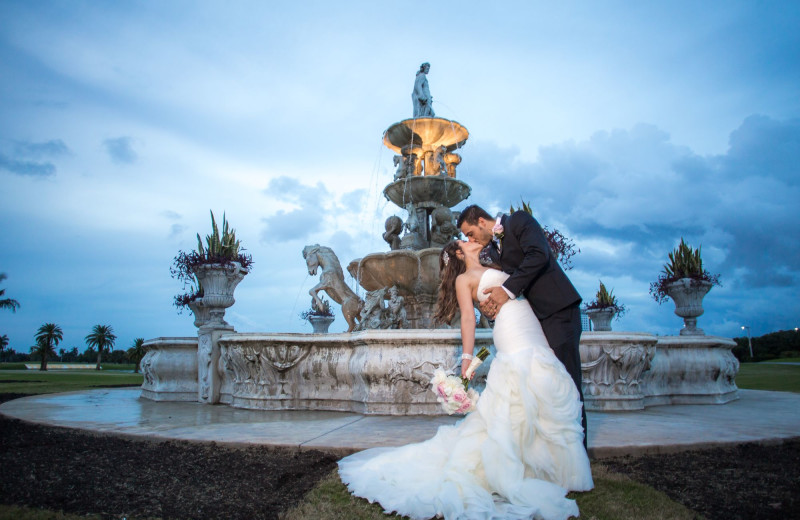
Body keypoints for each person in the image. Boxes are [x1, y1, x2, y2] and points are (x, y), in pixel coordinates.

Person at [338, 240, 593, 520]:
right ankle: (510, 468)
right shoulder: (463, 279)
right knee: (516, 399)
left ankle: (543, 465)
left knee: (542, 391)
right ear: (459, 253)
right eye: (466, 240)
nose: (472, 241)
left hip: (530, 328)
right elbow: (468, 320)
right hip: (512, 335)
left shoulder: (496, 265)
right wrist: (467, 361)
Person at [457, 204, 588, 448]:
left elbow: (538, 255)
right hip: (535, 320)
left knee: (567, 382)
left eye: (470, 233)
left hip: (559, 310)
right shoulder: (494, 250)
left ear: (482, 222)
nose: (470, 239)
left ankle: (577, 448)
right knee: (548, 381)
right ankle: (553, 446)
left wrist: (505, 291)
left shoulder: (518, 221)